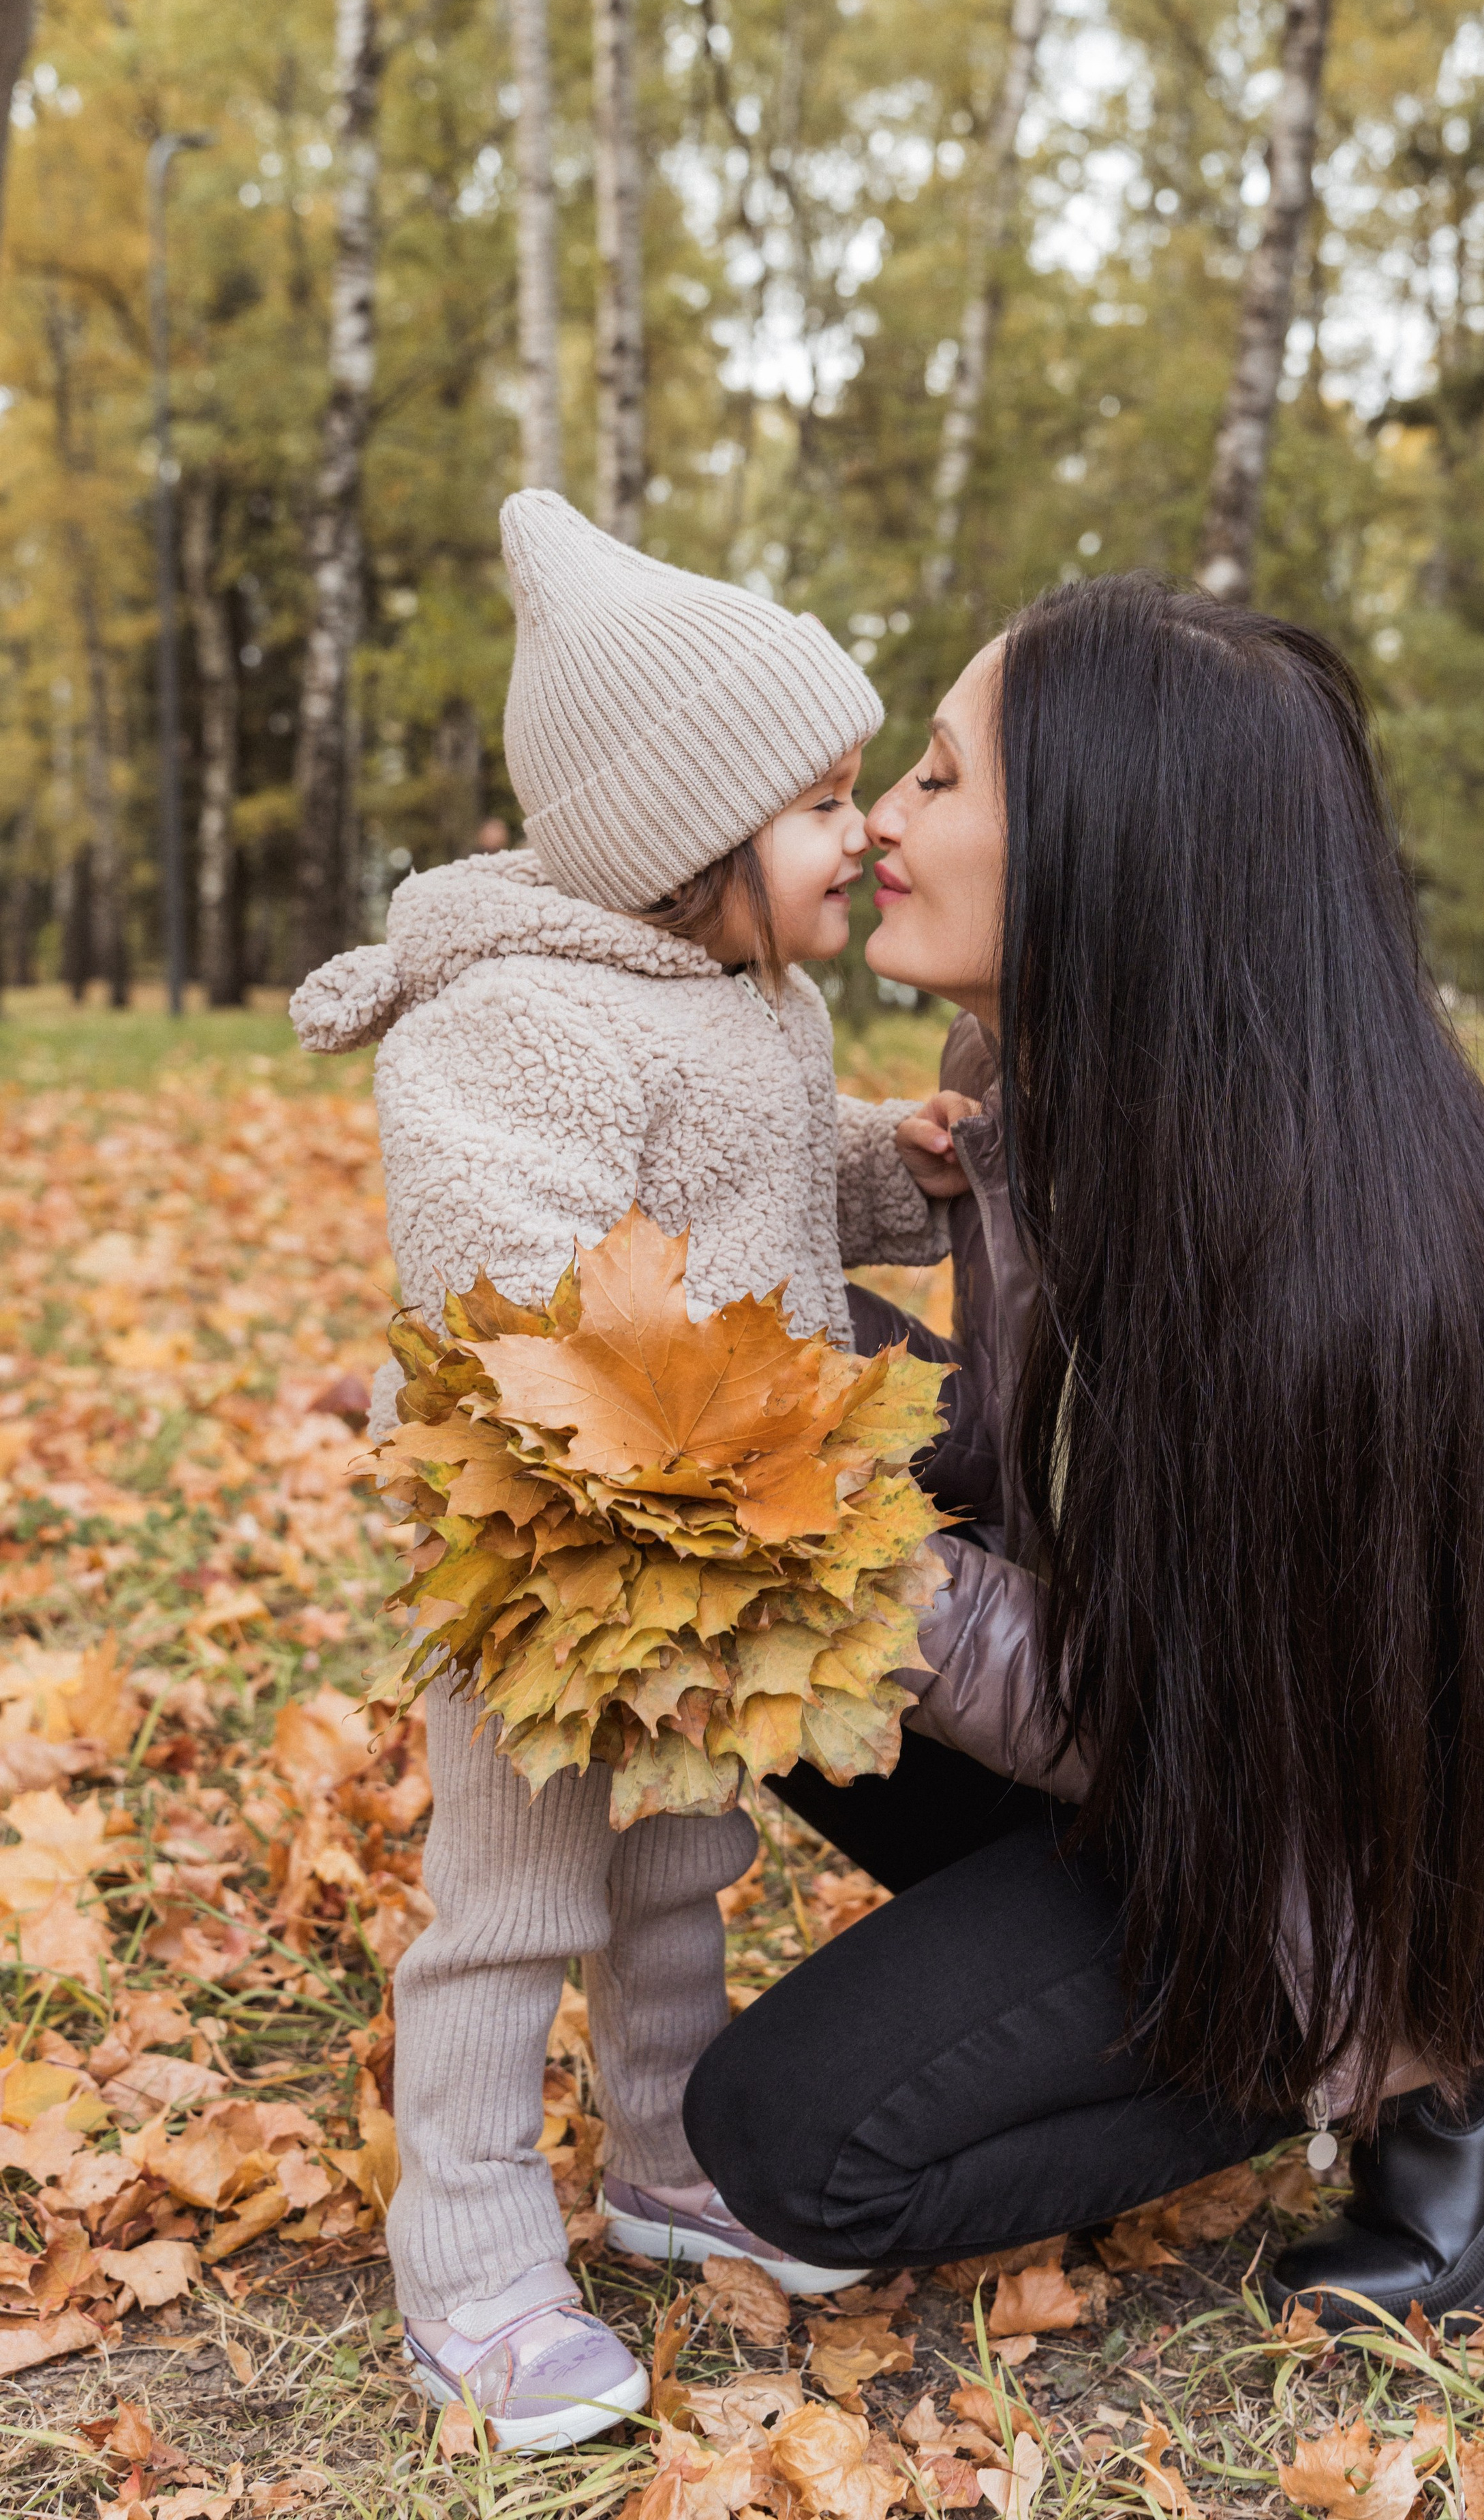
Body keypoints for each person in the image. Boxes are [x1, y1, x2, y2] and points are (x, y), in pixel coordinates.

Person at [686, 572, 1484, 2330]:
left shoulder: (1343, 1282)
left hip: (1375, 1876)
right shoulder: (1057, 1078)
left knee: (791, 2148)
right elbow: (1034, 1459)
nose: (884, 820)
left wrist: (850, 1566)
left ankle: (1461, 2070)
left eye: (940, 778)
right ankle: (1085, 1975)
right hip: (1219, 1756)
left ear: (1106, 848)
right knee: (748, 1519)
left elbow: (1186, 1717)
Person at [291, 491, 963, 2451]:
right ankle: (473, 2246)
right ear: (685, 837)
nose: (862, 832)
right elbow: (510, 1279)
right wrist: (669, 1463)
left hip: (722, 1547)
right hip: (565, 1558)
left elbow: (755, 1189)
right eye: (821, 799)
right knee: (513, 1894)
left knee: (684, 1855)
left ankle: (668, 2154)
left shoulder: (757, 998)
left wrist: (874, 1174)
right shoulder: (510, 1024)